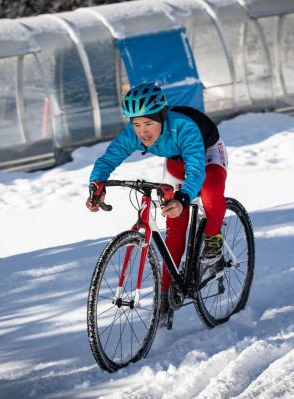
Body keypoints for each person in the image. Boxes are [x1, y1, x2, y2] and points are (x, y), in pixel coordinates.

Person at [86, 81, 228, 316]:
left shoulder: (183, 127)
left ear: (162, 117)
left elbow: (196, 170)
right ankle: (165, 295)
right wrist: (96, 185)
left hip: (206, 154)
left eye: (149, 123)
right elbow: (108, 159)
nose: (143, 131)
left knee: (210, 190)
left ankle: (213, 238)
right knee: (175, 226)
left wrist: (183, 198)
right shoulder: (134, 135)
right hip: (175, 162)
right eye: (137, 124)